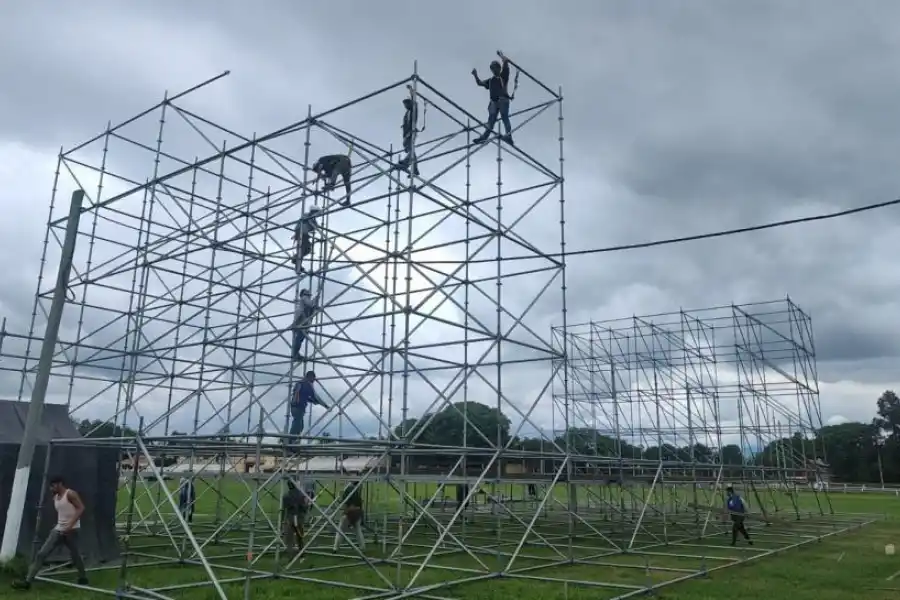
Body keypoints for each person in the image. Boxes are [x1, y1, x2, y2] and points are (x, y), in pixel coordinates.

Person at [12, 476, 88, 590]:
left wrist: (70, 525)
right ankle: (28, 582)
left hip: (72, 530)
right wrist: (59, 525)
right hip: (58, 530)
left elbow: (81, 508)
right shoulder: (56, 497)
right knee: (41, 554)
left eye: (52, 486)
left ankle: (83, 578)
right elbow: (62, 513)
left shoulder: (70, 494)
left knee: (75, 555)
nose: (51, 488)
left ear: (59, 484)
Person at [471, 53, 514, 145]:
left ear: (499, 68)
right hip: (494, 102)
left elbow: (506, 61)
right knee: (490, 121)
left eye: (495, 68)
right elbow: (480, 83)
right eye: (492, 68)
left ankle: (509, 136)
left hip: (502, 100)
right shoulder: (491, 80)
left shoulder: (503, 76)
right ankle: (484, 137)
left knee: (504, 117)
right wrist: (475, 75)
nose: (494, 70)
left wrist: (501, 55)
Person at [288, 370, 329, 449]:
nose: (314, 380)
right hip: (298, 406)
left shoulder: (300, 383)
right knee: (297, 425)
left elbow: (305, 396)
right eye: (314, 378)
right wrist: (325, 405)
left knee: (300, 425)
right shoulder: (306, 384)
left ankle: (293, 442)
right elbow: (315, 397)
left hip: (295, 406)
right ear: (310, 377)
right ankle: (291, 443)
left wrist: (313, 401)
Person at [333, 484, 365, 552]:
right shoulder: (357, 492)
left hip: (350, 513)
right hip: (358, 512)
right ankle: (362, 546)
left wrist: (344, 513)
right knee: (358, 530)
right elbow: (360, 504)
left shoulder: (347, 490)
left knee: (340, 530)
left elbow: (345, 505)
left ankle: (335, 547)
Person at [291, 289, 320, 361]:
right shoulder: (304, 298)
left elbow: (312, 308)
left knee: (300, 338)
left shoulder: (304, 300)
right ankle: (295, 354)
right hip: (301, 321)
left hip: (304, 321)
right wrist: (316, 299)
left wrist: (316, 300)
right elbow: (310, 304)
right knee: (299, 338)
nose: (309, 294)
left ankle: (296, 354)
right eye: (307, 293)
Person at [282, 479, 309, 555]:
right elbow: (304, 508)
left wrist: (283, 520)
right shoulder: (301, 495)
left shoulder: (286, 496)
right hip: (299, 518)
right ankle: (301, 551)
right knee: (300, 536)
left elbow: (284, 509)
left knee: (289, 537)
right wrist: (307, 504)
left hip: (290, 518)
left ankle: (290, 552)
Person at [395, 95, 420, 175]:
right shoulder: (407, 113)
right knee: (409, 148)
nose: (405, 106)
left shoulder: (413, 110)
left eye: (407, 104)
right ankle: (414, 168)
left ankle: (406, 163)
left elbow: (415, 104)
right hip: (406, 133)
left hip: (411, 132)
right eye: (404, 105)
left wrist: (412, 92)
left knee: (410, 149)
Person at [292, 205, 321, 273]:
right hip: (301, 233)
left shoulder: (312, 218)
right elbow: (308, 223)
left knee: (307, 249)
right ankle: (297, 265)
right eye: (316, 212)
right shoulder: (306, 215)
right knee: (302, 250)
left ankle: (296, 261)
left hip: (305, 234)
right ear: (314, 211)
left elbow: (314, 226)